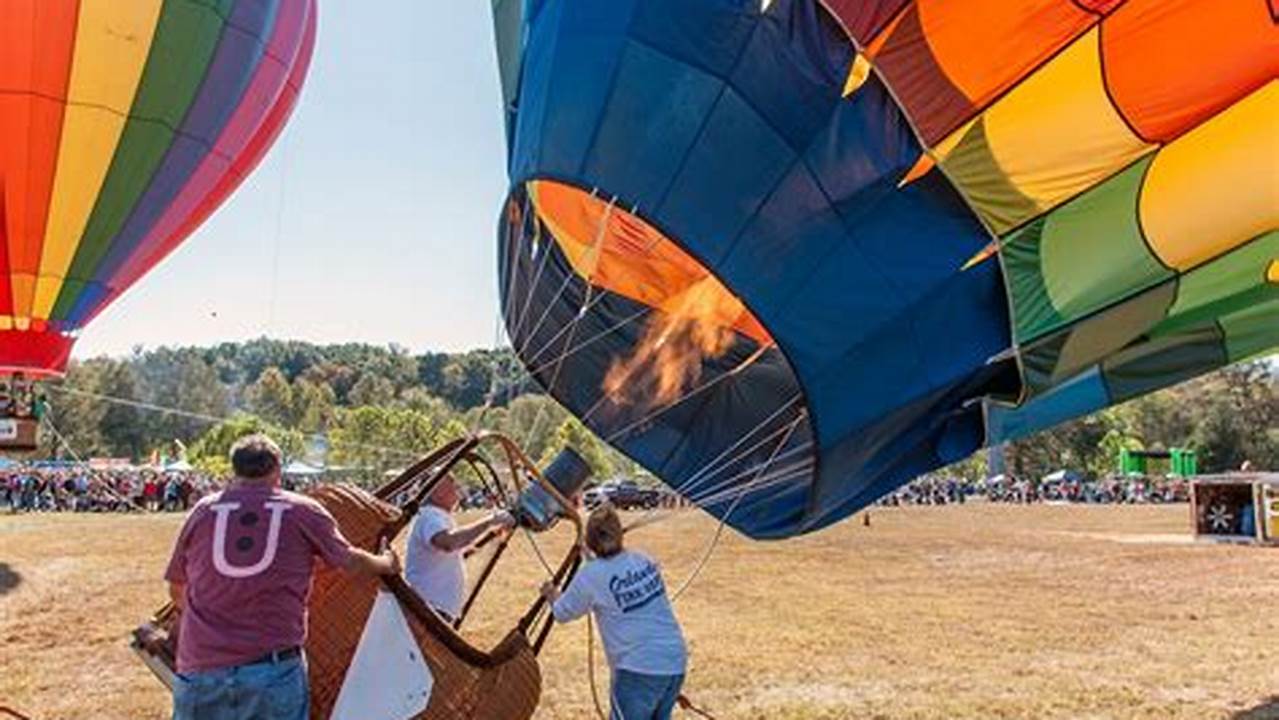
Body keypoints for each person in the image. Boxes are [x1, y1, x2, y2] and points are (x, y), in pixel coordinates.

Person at [164, 434, 399, 720]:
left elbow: (176, 587)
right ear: (277, 470)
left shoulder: (202, 512)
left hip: (202, 668)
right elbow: (348, 561)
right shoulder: (302, 510)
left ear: (234, 470)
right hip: (270, 667)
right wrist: (385, 563)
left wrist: (215, 629)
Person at [540, 504, 687, 720]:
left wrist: (551, 594)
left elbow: (562, 613)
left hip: (638, 668)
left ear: (590, 539)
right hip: (674, 661)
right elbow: (610, 573)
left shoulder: (591, 575)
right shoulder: (643, 559)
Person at [404, 471, 514, 622]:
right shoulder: (430, 515)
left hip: (432, 607)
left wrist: (489, 533)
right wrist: (489, 521)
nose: (457, 487)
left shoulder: (435, 515)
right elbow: (449, 542)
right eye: (451, 484)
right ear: (436, 492)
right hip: (428, 608)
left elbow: (450, 547)